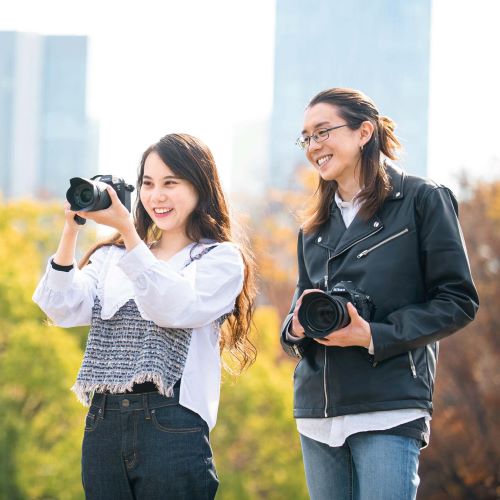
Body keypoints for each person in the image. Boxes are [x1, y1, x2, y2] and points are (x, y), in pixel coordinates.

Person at [280, 88, 479, 500]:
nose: (313, 147)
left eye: (323, 132)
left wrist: (372, 334)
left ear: (364, 131)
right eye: (306, 138)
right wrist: (296, 327)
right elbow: (298, 310)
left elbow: (458, 301)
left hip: (389, 404)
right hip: (318, 412)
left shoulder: (423, 200)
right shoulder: (312, 228)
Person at [33, 133, 256, 499]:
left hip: (172, 421)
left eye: (171, 183)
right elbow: (61, 307)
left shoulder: (218, 258)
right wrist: (71, 230)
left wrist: (128, 233)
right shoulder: (113, 256)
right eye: (148, 184)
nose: (157, 196)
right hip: (103, 422)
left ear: (201, 186)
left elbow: (173, 308)